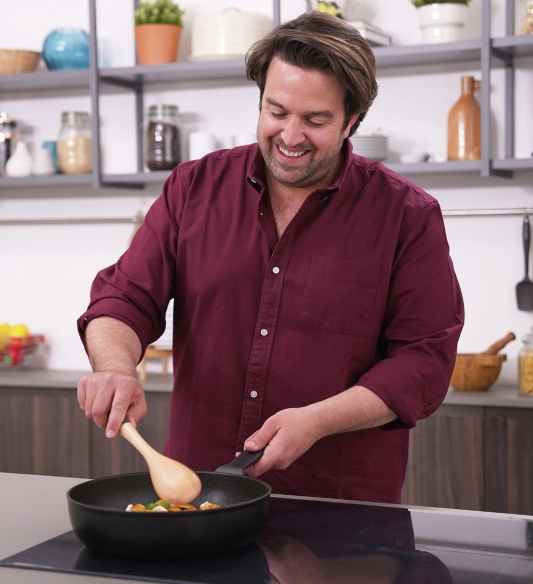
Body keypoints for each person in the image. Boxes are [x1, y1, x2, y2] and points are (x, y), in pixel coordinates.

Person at [77, 12, 464, 504]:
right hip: (196, 495)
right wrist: (115, 367)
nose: (291, 136)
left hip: (336, 505)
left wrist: (318, 420)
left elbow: (423, 360)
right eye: (276, 111)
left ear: (352, 121)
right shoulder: (194, 188)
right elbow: (123, 298)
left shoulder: (406, 215)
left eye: (315, 120)